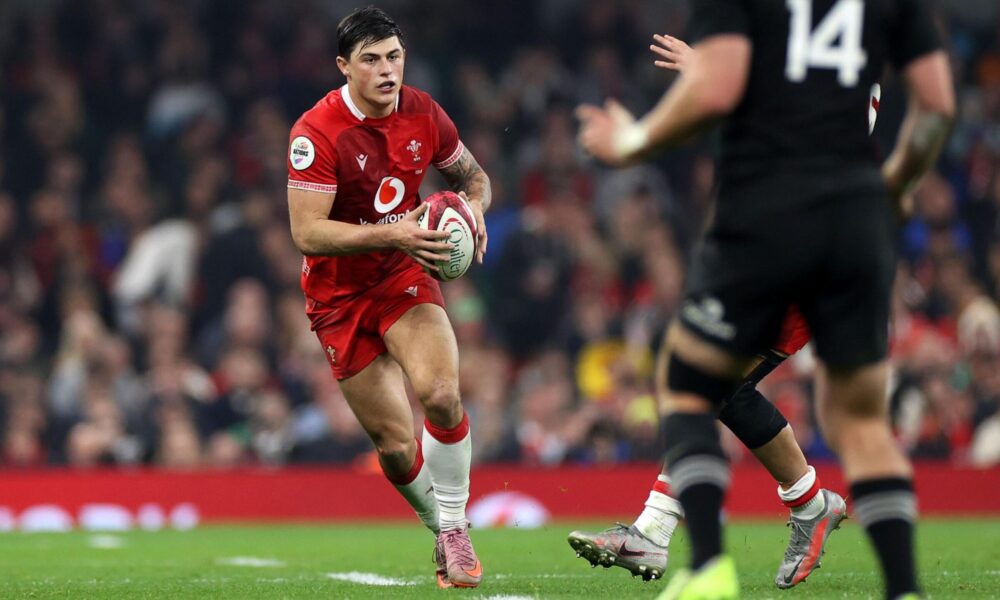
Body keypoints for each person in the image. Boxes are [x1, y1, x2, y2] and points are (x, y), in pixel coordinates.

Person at [577, 0, 954, 597]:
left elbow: (731, 93)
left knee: (692, 378)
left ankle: (690, 551)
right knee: (854, 421)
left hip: (774, 223)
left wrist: (634, 142)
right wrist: (899, 181)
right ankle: (885, 573)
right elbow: (935, 104)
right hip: (856, 225)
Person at [285, 7, 491, 589]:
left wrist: (473, 212)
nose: (386, 70)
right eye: (371, 59)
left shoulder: (425, 112)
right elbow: (307, 231)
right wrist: (394, 230)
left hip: (404, 274)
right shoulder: (316, 132)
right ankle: (439, 525)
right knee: (396, 447)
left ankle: (456, 530)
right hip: (338, 298)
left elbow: (473, 178)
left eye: (394, 56)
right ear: (343, 67)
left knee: (442, 393)